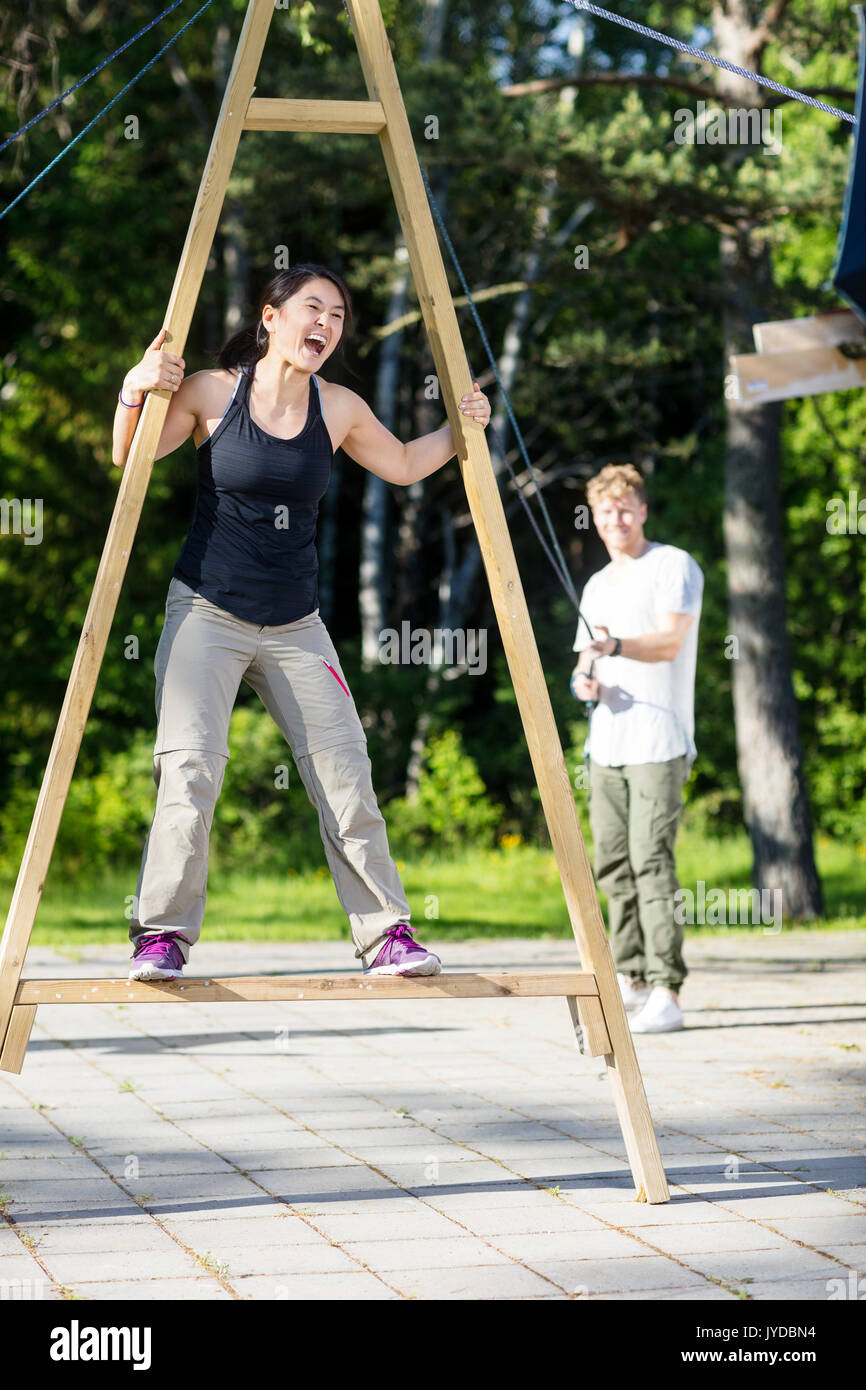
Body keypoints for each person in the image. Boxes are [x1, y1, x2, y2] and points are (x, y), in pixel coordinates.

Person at [112, 263, 491, 983]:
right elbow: (126, 456)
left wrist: (460, 429)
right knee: (189, 770)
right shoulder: (212, 392)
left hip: (297, 624)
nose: (326, 323)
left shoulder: (339, 406)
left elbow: (406, 464)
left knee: (347, 774)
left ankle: (387, 936)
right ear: (271, 317)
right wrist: (135, 388)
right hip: (207, 609)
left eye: (338, 316)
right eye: (312, 308)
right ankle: (160, 936)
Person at [570, 463, 703, 1033]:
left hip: (659, 739)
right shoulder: (597, 584)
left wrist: (617, 644)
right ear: (595, 520)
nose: (616, 519)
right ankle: (632, 979)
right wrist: (585, 682)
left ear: (642, 510)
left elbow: (672, 642)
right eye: (605, 512)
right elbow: (585, 662)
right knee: (612, 865)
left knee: (653, 861)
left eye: (625, 508)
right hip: (608, 745)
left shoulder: (673, 565)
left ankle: (668, 991)